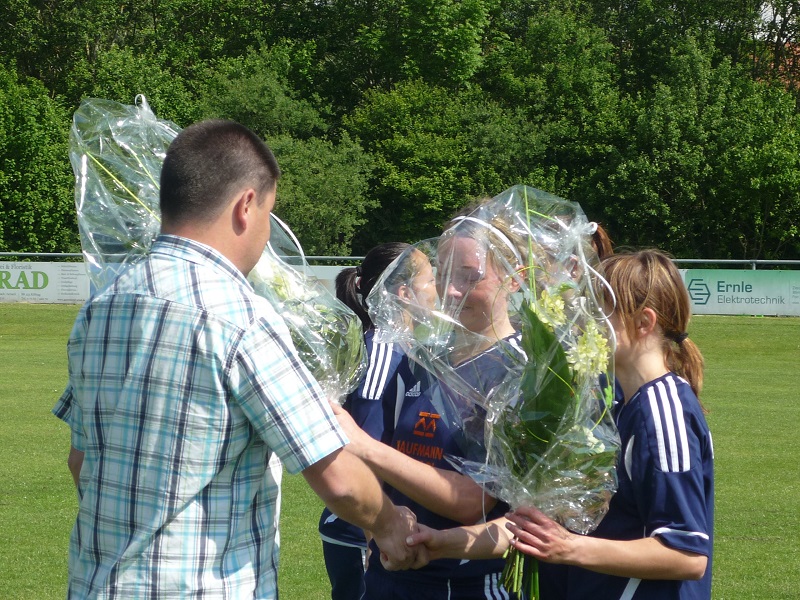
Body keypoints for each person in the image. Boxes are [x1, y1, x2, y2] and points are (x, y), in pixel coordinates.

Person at [53, 118, 420, 599]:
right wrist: (390, 524)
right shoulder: (241, 316)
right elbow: (336, 477)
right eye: (269, 213)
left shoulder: (101, 306)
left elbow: (80, 460)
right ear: (246, 206)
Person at [407, 248, 714, 600]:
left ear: (644, 323)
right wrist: (442, 543)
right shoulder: (606, 403)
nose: (584, 324)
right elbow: (545, 527)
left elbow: (686, 554)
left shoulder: (664, 409)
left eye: (598, 313)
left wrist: (569, 548)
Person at [332, 205, 528, 599]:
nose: (451, 291)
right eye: (443, 274)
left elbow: (475, 500)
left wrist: (363, 446)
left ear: (515, 278)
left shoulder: (521, 371)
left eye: (470, 276)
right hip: (390, 576)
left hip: (467, 586)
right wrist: (381, 532)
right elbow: (374, 471)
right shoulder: (419, 359)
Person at [319, 242, 437, 600]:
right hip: (362, 532)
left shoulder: (406, 346)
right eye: (431, 280)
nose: (439, 291)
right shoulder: (383, 350)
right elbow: (361, 447)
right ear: (404, 293)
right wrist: (376, 534)